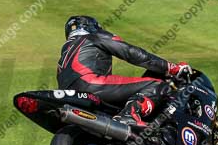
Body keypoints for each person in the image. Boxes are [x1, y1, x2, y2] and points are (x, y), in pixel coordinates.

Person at [57, 16, 192, 129]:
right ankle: (129, 115)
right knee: (157, 85)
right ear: (91, 27)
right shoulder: (95, 36)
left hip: (71, 95)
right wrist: (171, 67)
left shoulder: (66, 49)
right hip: (91, 83)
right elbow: (131, 53)